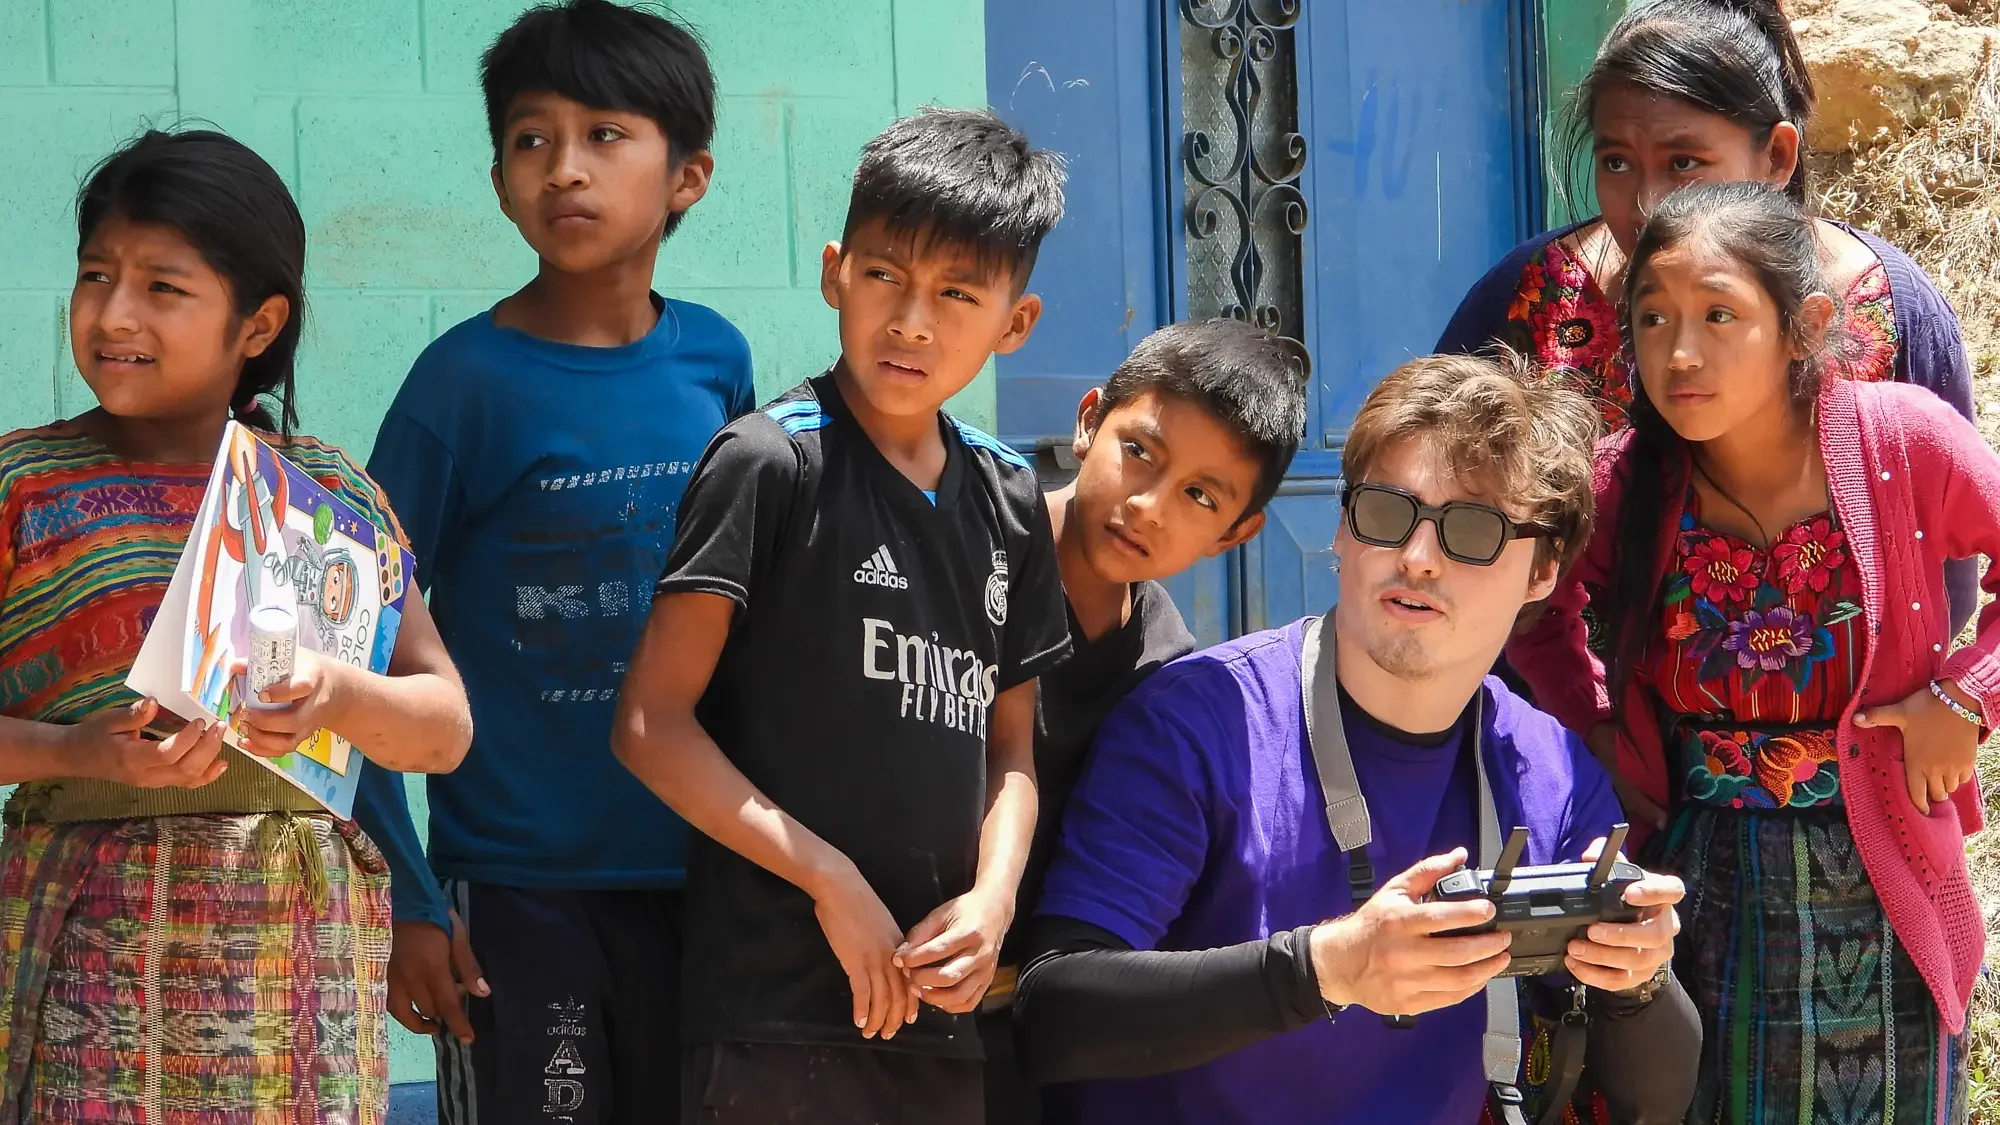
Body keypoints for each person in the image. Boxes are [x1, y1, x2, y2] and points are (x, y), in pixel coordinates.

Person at [1013, 351, 1700, 1125]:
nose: (1416, 557)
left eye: (1470, 529)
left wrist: (1639, 978)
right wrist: (1329, 967)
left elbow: (1658, 1097)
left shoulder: (1552, 773)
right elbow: (1053, 1012)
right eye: (1386, 512)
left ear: (1544, 569)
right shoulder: (1197, 720)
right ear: (1341, 529)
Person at [0, 129, 472, 1123]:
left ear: (256, 324)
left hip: (301, 962)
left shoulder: (324, 496)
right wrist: (74, 748)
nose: (113, 314)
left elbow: (442, 725)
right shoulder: (21, 488)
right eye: (96, 276)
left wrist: (341, 694)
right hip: (88, 948)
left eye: (163, 288)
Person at [610, 107, 1069, 1125]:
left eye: (957, 294)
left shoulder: (1007, 496)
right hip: (767, 1015)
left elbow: (1012, 756)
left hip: (934, 1015)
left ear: (1014, 323)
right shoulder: (769, 462)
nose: (911, 320)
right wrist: (827, 879)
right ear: (833, 274)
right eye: (883, 277)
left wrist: (992, 903)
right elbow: (649, 726)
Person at [1509, 180, 1998, 1124]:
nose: (1680, 352)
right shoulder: (1624, 482)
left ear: (1805, 325)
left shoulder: (1903, 440)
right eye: (1652, 318)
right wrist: (1596, 728)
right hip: (1698, 882)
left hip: (1883, 875)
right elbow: (1534, 604)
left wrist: (1967, 697)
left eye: (1719, 314)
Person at [347, 3, 753, 1123]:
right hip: (519, 891)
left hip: (702, 875)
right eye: (531, 140)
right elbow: (362, 644)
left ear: (688, 176)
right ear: (497, 175)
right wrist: (412, 902)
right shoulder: (457, 389)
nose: (562, 170)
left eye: (604, 135)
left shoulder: (717, 364)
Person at [1435, 0, 1979, 636]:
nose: (1646, 203)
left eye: (1684, 163)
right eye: (1616, 162)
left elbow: (1946, 575)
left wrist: (1957, 700)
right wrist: (1588, 721)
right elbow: (1433, 514)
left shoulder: (1889, 306)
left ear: (1777, 158)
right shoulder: (1528, 297)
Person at [980, 318, 1309, 1124]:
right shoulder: (966, 551)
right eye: (1140, 452)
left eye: (1200, 495)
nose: (1147, 506)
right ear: (1089, 419)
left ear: (1238, 533)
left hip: (1028, 1035)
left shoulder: (1169, 671)